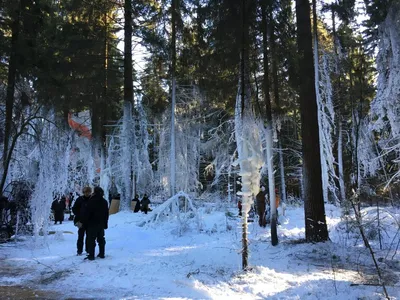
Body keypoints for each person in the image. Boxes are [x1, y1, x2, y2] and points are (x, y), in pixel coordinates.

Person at [82, 186, 109, 261]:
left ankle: (91, 255)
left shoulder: (91, 201)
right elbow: (106, 214)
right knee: (101, 239)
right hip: (101, 224)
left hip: (92, 224)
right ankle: (102, 253)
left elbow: (87, 213)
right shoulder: (104, 202)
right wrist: (105, 223)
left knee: (91, 239)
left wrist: (85, 223)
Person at [72, 186, 91, 256]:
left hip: (89, 221)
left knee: (89, 237)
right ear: (83, 192)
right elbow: (74, 209)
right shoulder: (79, 199)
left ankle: (88, 249)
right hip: (80, 221)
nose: (87, 193)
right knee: (80, 236)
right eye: (86, 192)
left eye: (88, 192)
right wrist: (79, 215)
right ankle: (79, 250)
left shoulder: (92, 200)